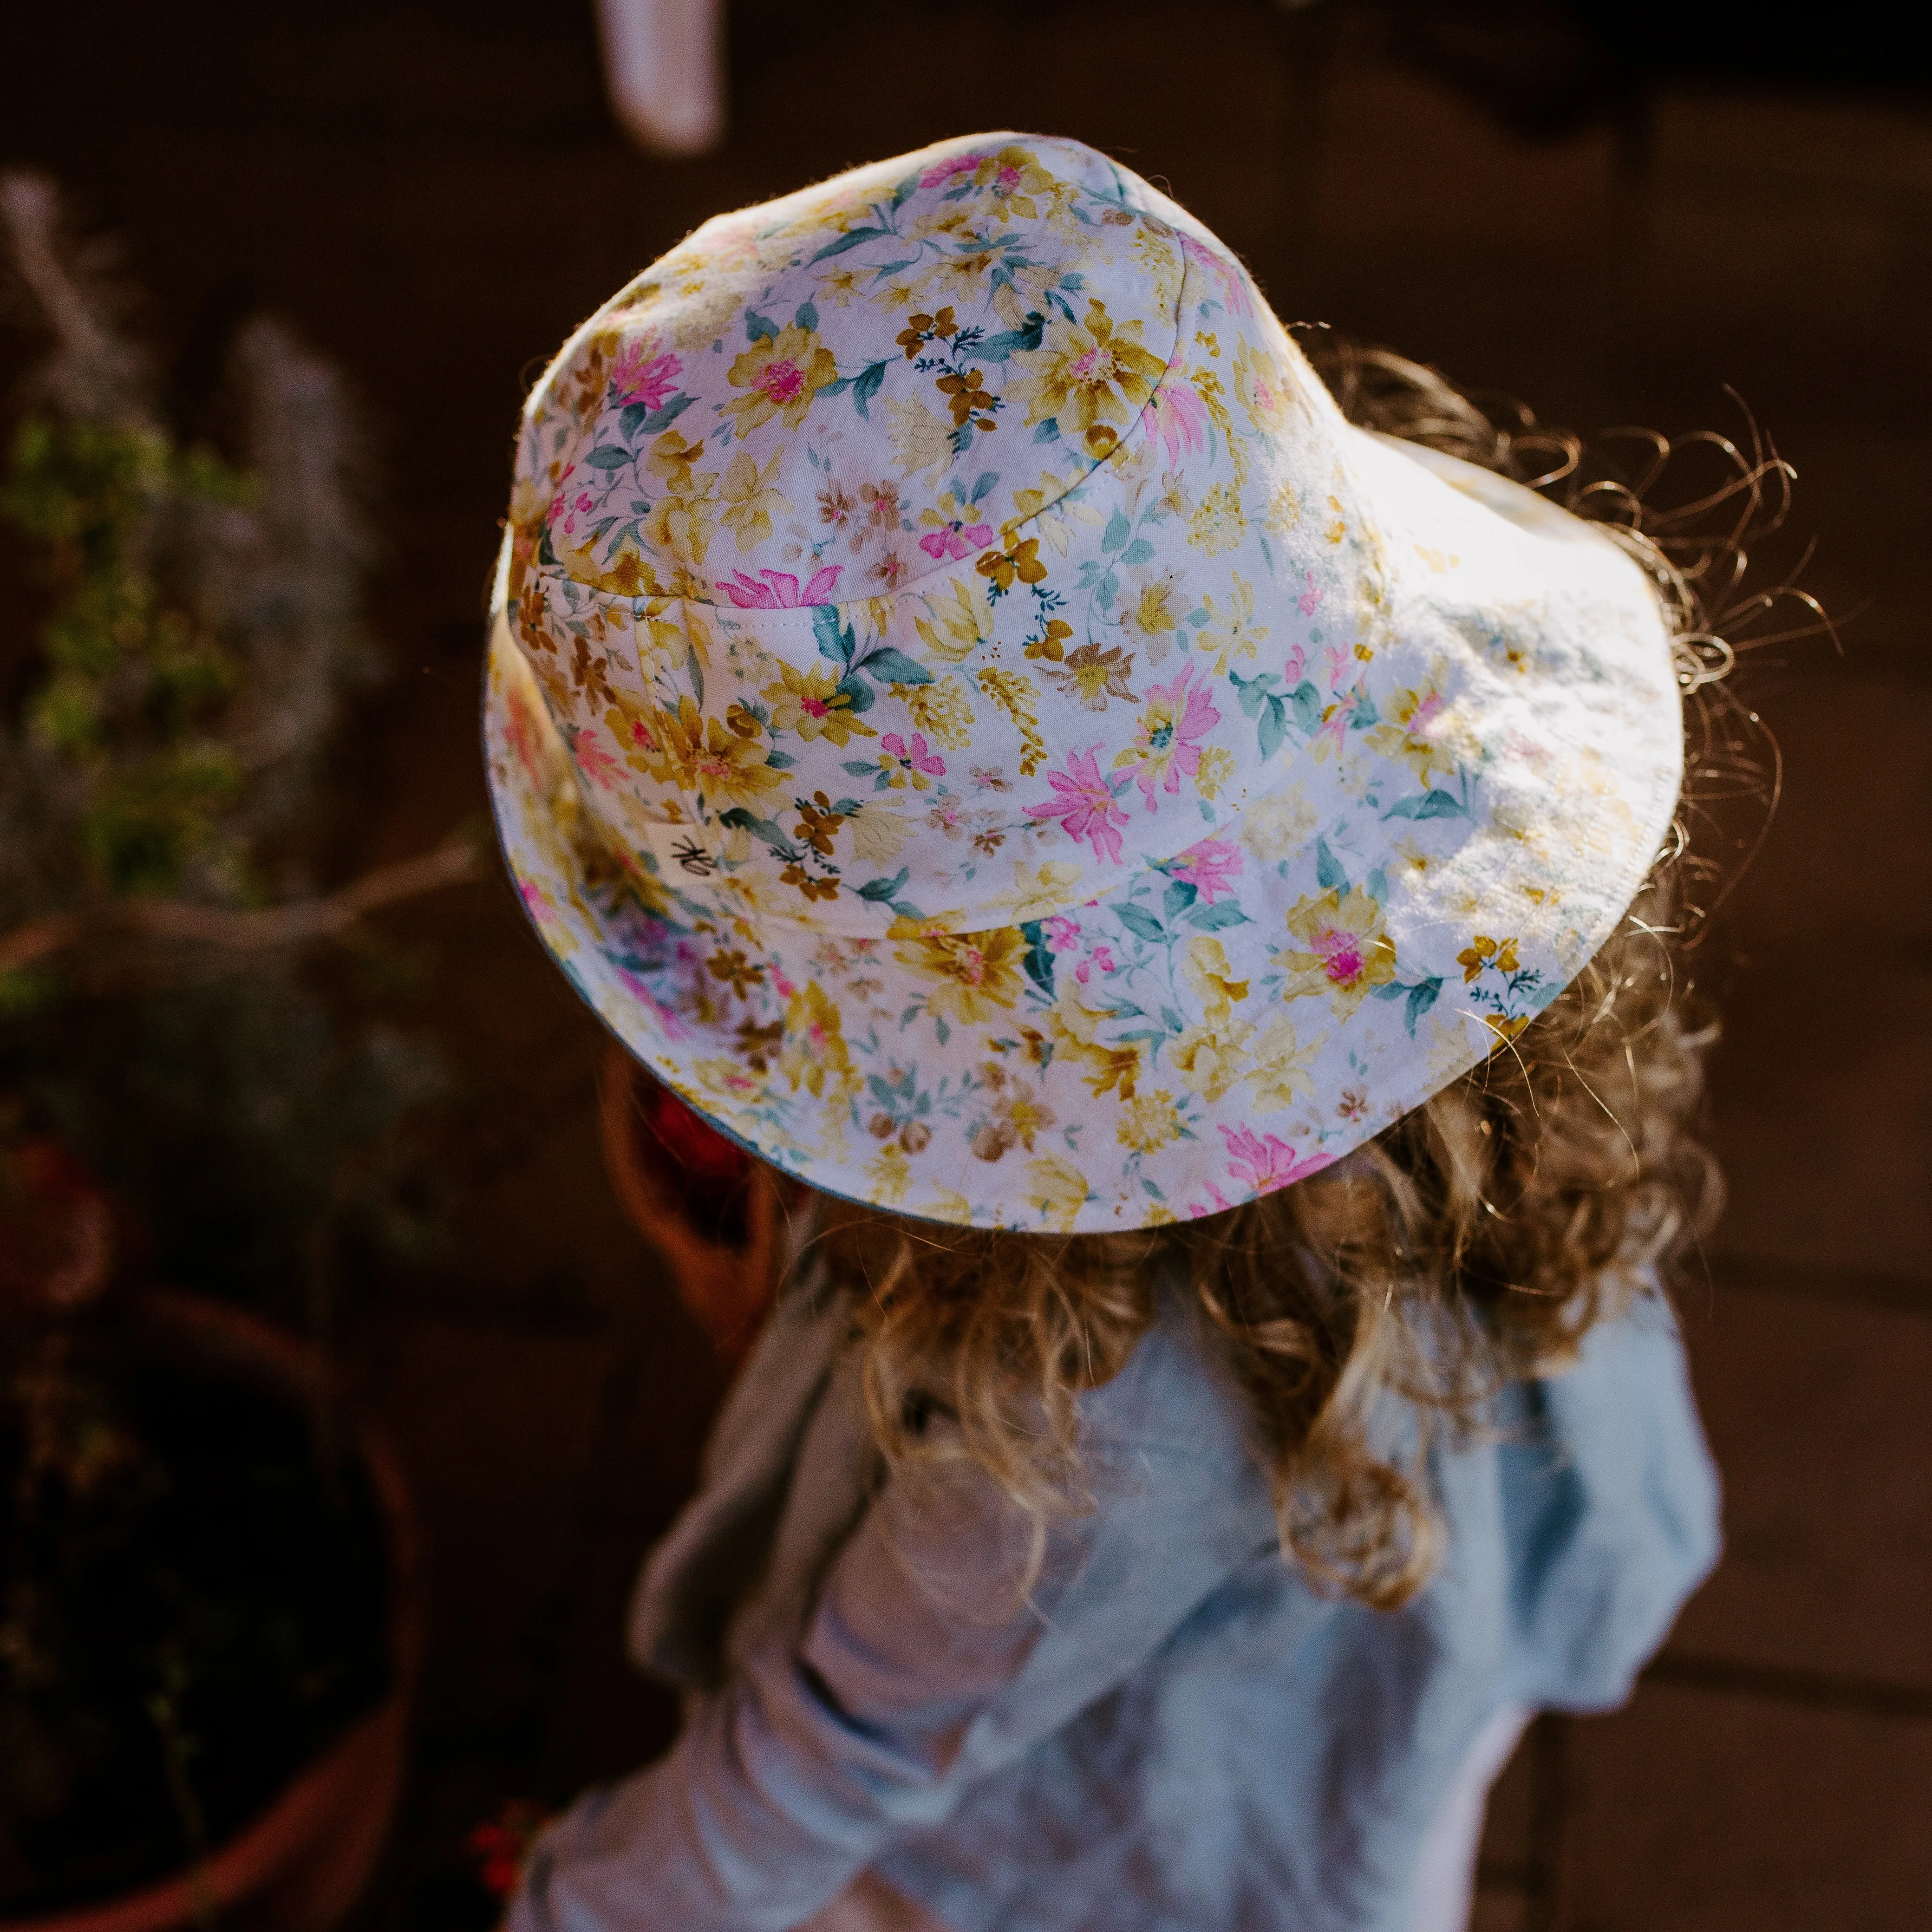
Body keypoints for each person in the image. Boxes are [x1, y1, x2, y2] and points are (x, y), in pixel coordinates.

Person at [483, 132, 1730, 1932]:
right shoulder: (1451, 941)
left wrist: (579, 1897)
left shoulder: (1043, 1441)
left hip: (1150, 1829)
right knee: (1390, 1753)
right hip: (1423, 1545)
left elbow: (844, 1741)